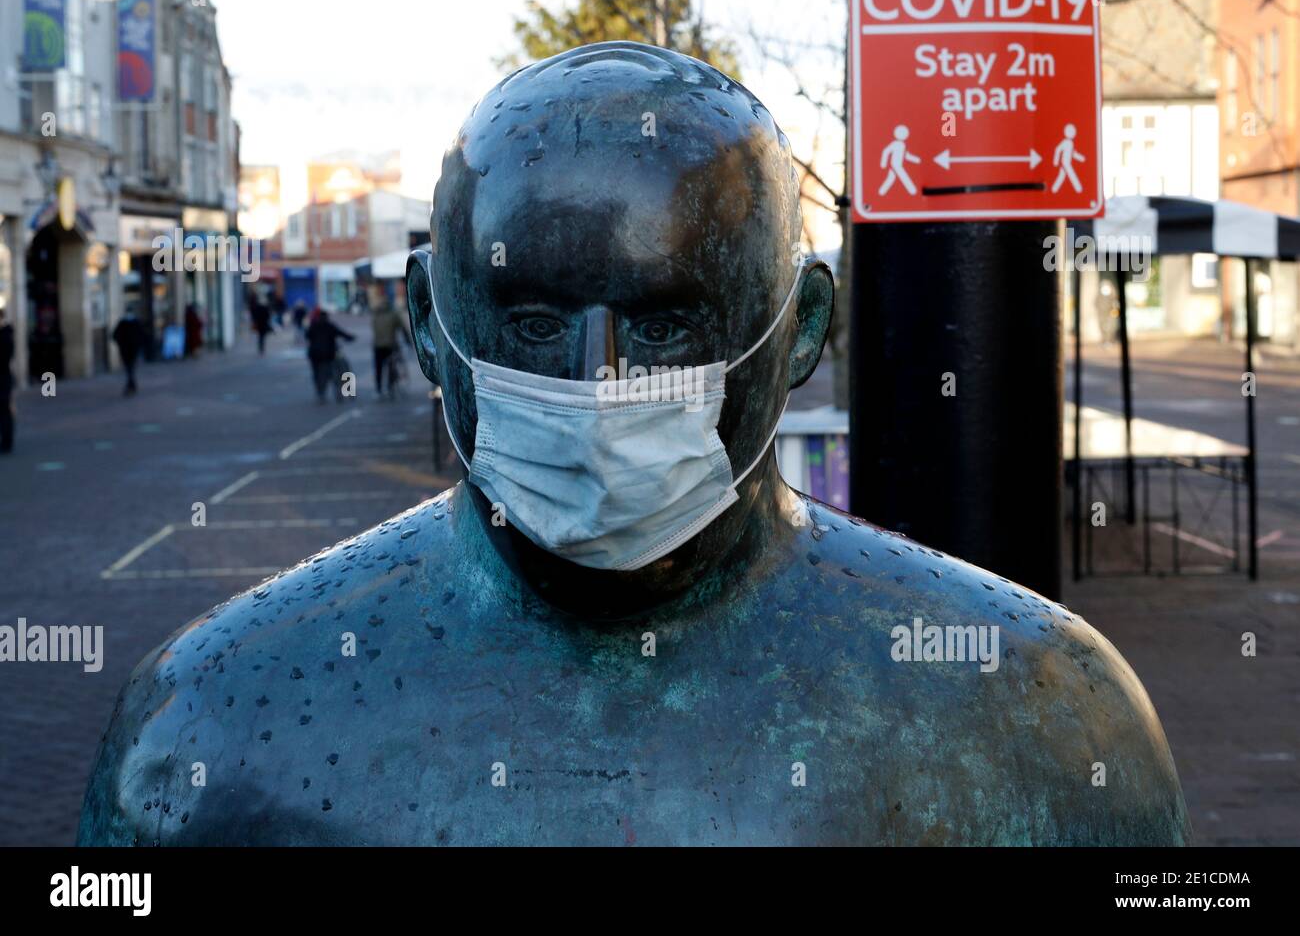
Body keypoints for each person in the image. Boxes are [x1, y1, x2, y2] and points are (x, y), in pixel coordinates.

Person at [80, 43, 1189, 847]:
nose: (597, 385)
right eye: (530, 323)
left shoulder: (1040, 712)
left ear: (798, 328)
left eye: (664, 325)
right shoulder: (209, 726)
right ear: (428, 322)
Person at [305, 307, 355, 403]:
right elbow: (342, 333)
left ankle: (320, 393)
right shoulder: (329, 326)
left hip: (314, 355)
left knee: (318, 375)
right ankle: (339, 393)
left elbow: (307, 336)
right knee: (335, 373)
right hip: (327, 355)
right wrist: (351, 337)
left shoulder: (313, 325)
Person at [370, 293, 411, 397]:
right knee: (391, 365)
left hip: (377, 345)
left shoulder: (375, 315)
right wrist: (408, 341)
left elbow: (374, 329)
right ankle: (390, 386)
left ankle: (379, 389)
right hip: (391, 345)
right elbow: (402, 328)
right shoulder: (393, 314)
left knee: (378, 367)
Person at [111, 307, 145, 396]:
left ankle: (131, 384)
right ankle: (131, 384)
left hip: (130, 349)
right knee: (130, 367)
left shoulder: (133, 322)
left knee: (130, 367)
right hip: (127, 349)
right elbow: (115, 335)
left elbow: (142, 335)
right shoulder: (123, 323)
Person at [0, 307, 14, 454]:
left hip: (3, 378)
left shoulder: (5, 336)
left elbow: (5, 358)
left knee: (4, 409)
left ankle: (7, 441)